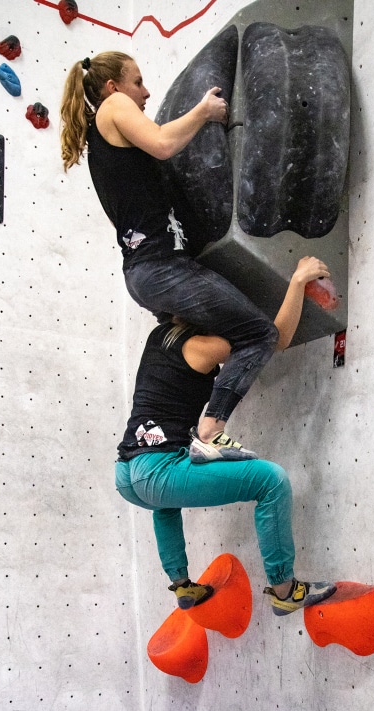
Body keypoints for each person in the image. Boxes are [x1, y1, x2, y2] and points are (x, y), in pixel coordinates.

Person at [60, 51, 297, 463]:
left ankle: (182, 427)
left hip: (148, 273)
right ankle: (211, 430)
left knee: (229, 341)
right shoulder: (113, 107)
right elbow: (164, 143)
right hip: (160, 269)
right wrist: (204, 111)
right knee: (259, 335)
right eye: (137, 82)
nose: (146, 92)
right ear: (113, 87)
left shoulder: (109, 146)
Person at [114, 255, 337, 616]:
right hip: (156, 472)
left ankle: (182, 585)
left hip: (127, 473)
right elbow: (272, 339)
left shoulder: (161, 337)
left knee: (165, 502)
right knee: (271, 481)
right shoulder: (200, 346)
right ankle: (285, 590)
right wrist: (297, 282)